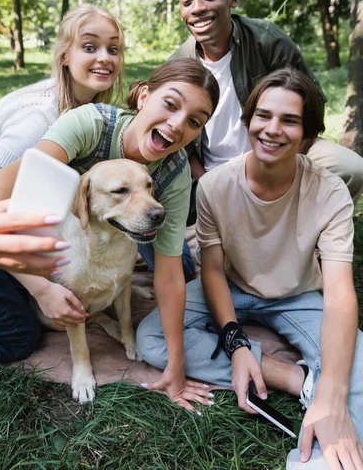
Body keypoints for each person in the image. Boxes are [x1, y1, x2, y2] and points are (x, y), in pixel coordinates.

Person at [137, 68, 363, 470]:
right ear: (248, 121)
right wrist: (238, 345)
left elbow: (341, 296)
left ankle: (319, 458)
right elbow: (211, 270)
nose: (272, 129)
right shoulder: (213, 186)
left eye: (289, 120)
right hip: (231, 288)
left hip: (298, 294)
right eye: (263, 115)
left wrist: (334, 392)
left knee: (356, 361)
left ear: (307, 133)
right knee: (153, 338)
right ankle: (292, 378)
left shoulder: (331, 194)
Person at [0, 58, 220, 413]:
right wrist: (43, 290)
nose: (177, 124)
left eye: (195, 121)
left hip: (115, 230)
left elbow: (167, 277)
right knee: (18, 331)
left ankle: (114, 299)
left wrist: (176, 363)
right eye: (170, 104)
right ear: (144, 97)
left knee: (180, 266)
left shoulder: (176, 172)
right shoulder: (88, 124)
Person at [0, 3, 125, 363]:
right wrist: (42, 291)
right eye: (89, 46)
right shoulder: (40, 121)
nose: (104, 58)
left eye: (113, 49)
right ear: (65, 55)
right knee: (18, 335)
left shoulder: (86, 115)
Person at [171, 0, 363, 216]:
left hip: (278, 155)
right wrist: (205, 181)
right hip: (211, 173)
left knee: (350, 168)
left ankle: (307, 228)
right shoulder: (179, 63)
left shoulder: (266, 41)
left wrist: (275, 171)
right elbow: (177, 139)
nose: (197, 8)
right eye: (187, 1)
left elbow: (311, 110)